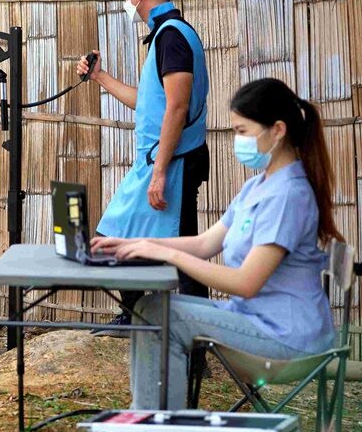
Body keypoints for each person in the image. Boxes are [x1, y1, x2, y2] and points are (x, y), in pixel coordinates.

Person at [92, 78, 343, 409]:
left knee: (162, 317)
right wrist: (134, 241)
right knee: (151, 309)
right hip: (254, 320)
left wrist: (165, 253)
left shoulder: (289, 195)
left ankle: (159, 429)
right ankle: (158, 425)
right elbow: (206, 243)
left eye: (242, 131)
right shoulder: (258, 186)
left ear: (278, 130)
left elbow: (246, 283)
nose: (235, 140)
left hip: (287, 338)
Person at [76, 0, 210, 336]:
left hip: (173, 161)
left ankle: (192, 330)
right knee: (127, 232)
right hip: (160, 159)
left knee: (179, 250)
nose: (126, 1)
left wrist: (161, 171)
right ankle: (135, 314)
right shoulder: (167, 35)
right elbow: (148, 102)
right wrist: (100, 77)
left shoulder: (172, 36)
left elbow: (178, 107)